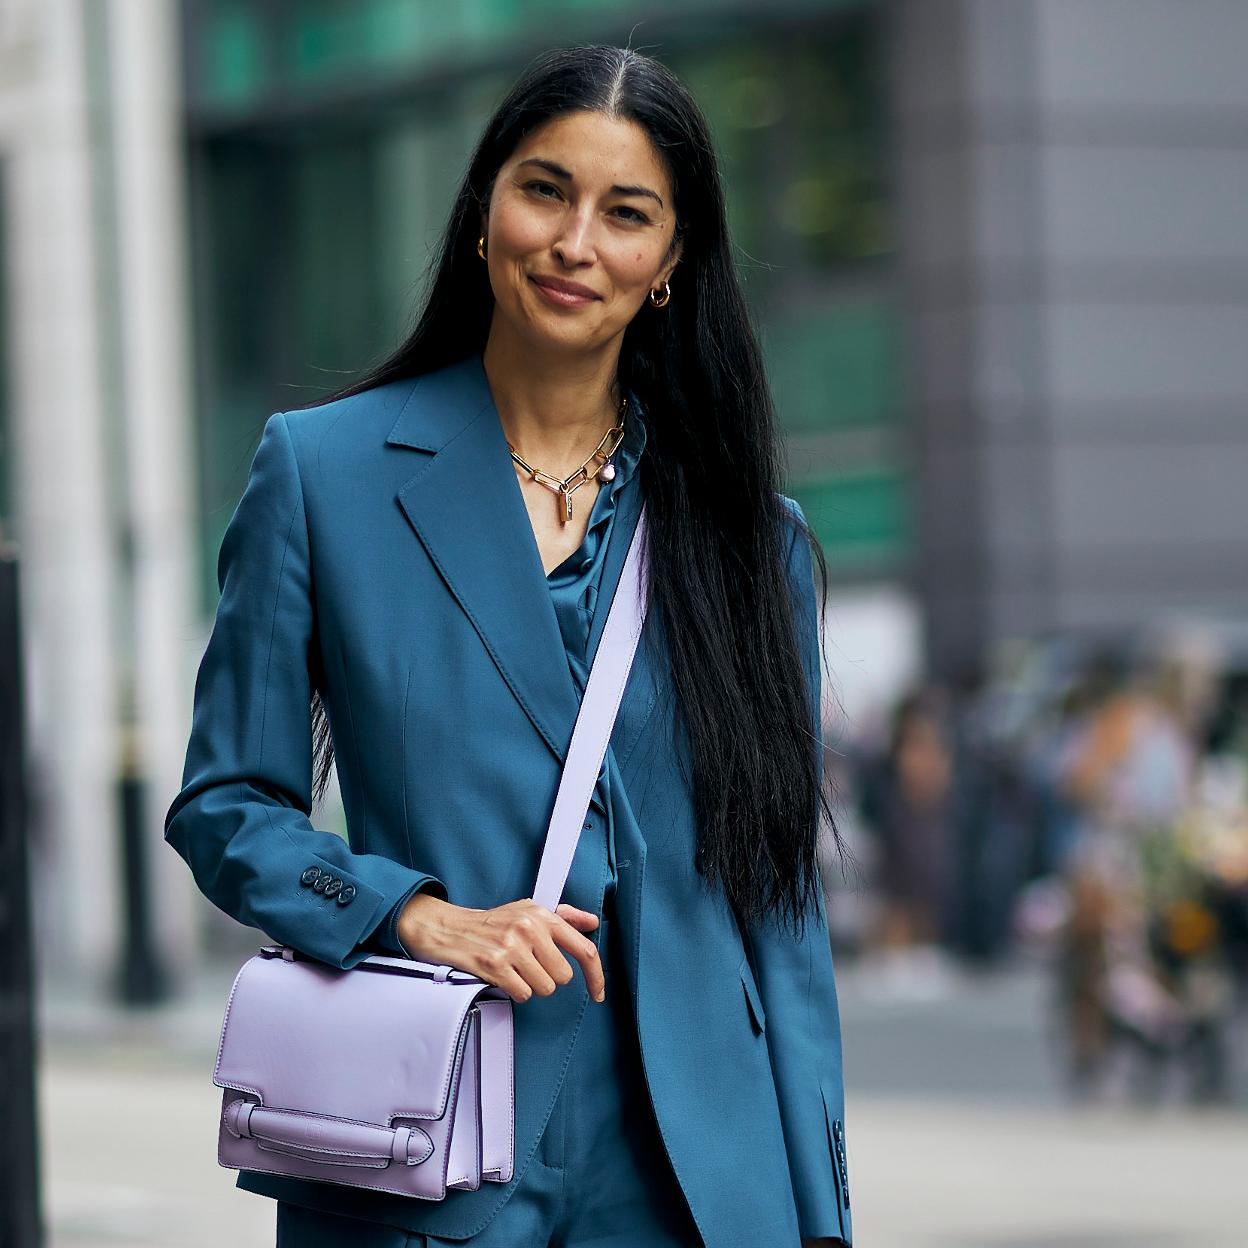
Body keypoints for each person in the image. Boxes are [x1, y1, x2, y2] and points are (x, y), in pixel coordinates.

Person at [165, 44, 852, 1248]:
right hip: (426, 1147)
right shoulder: (322, 476)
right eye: (545, 191)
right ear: (484, 213)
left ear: (670, 264)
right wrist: (410, 914)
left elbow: (779, 916)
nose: (574, 242)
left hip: (703, 1175)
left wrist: (821, 1212)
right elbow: (227, 804)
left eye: (626, 213)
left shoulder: (753, 541)